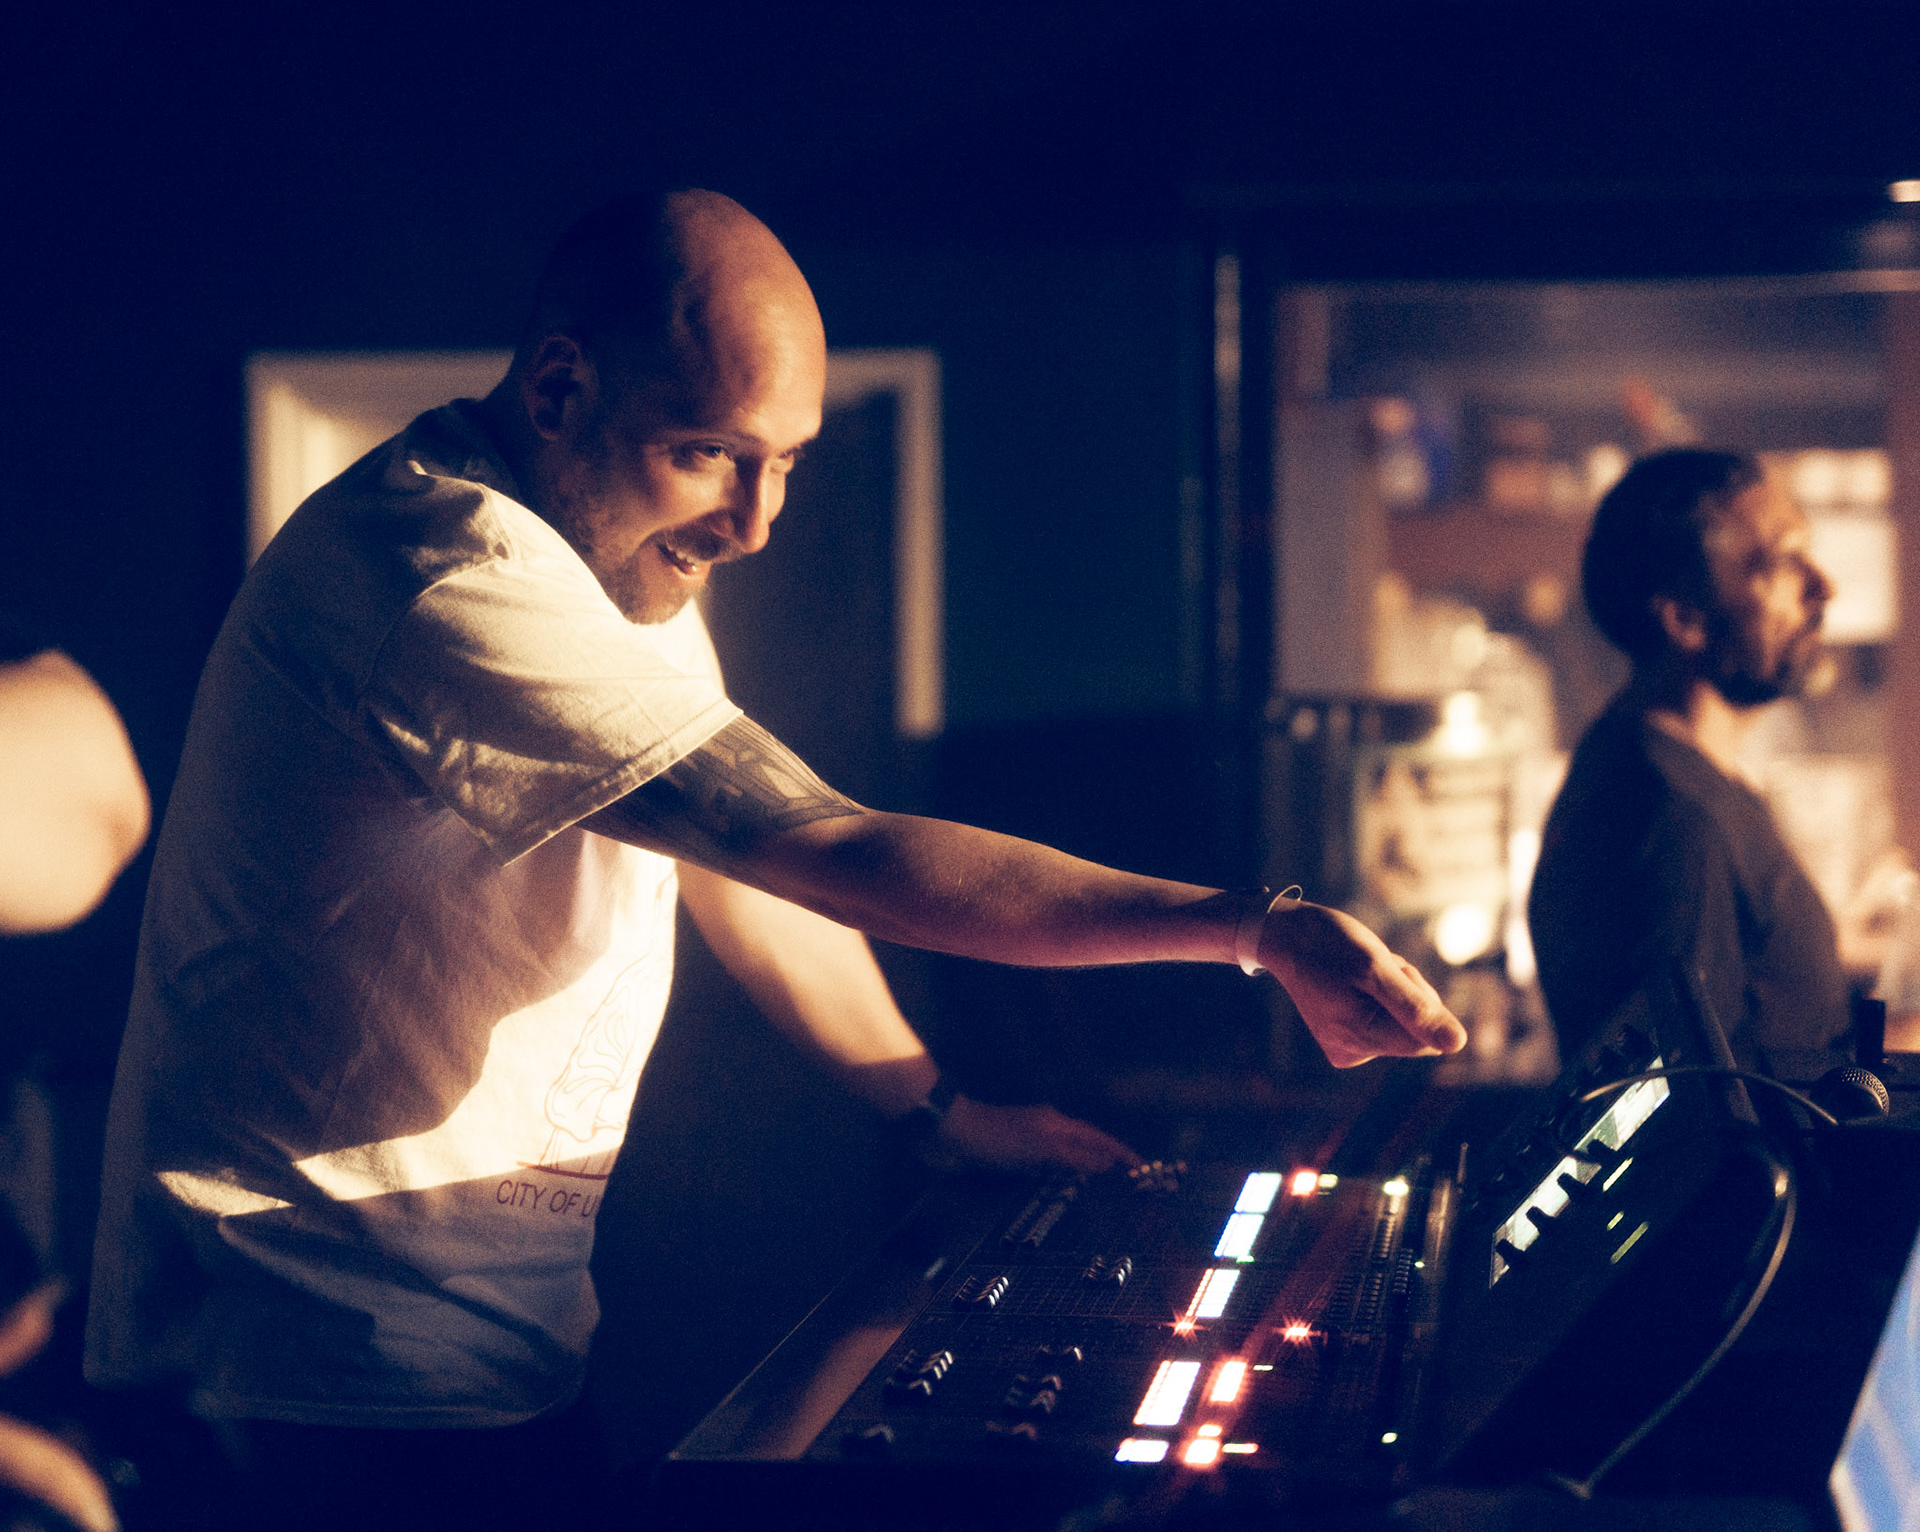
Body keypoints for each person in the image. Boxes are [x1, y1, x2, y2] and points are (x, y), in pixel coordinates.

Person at [84, 189, 1462, 1529]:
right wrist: (1255, 929)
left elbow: (749, 878)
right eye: (710, 453)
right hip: (309, 1387)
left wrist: (933, 1109)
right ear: (559, 389)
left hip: (468, 1357)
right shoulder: (455, 577)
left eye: (785, 462)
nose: (754, 521)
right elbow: (829, 846)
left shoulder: (618, 567)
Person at [1528, 448, 1849, 1074]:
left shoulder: (1667, 774)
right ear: (1684, 619)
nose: (1822, 587)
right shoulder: (1672, 819)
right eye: (1784, 563)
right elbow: (1690, 1103)